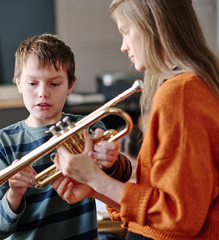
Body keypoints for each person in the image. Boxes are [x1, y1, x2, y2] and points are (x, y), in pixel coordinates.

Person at [53, 0, 219, 239]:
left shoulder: (181, 92)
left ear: (151, 26)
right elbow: (157, 206)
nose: (123, 46)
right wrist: (94, 189)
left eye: (125, 31)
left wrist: (95, 177)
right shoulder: (189, 86)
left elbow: (178, 216)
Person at [0, 33, 132, 240]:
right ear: (18, 84)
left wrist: (112, 162)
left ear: (70, 85)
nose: (43, 93)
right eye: (32, 83)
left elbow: (120, 180)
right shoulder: (1, 145)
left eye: (54, 84)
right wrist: (14, 195)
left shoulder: (89, 128)